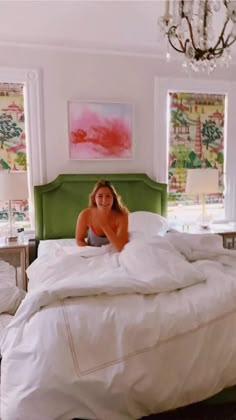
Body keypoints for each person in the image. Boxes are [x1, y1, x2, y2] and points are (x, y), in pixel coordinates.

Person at [75, 179, 129, 251]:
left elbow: (121, 247)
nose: (104, 200)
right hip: (92, 254)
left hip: (113, 254)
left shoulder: (122, 216)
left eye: (108, 196)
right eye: (100, 196)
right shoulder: (85, 214)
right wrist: (90, 252)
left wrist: (104, 225)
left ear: (114, 198)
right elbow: (79, 239)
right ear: (94, 198)